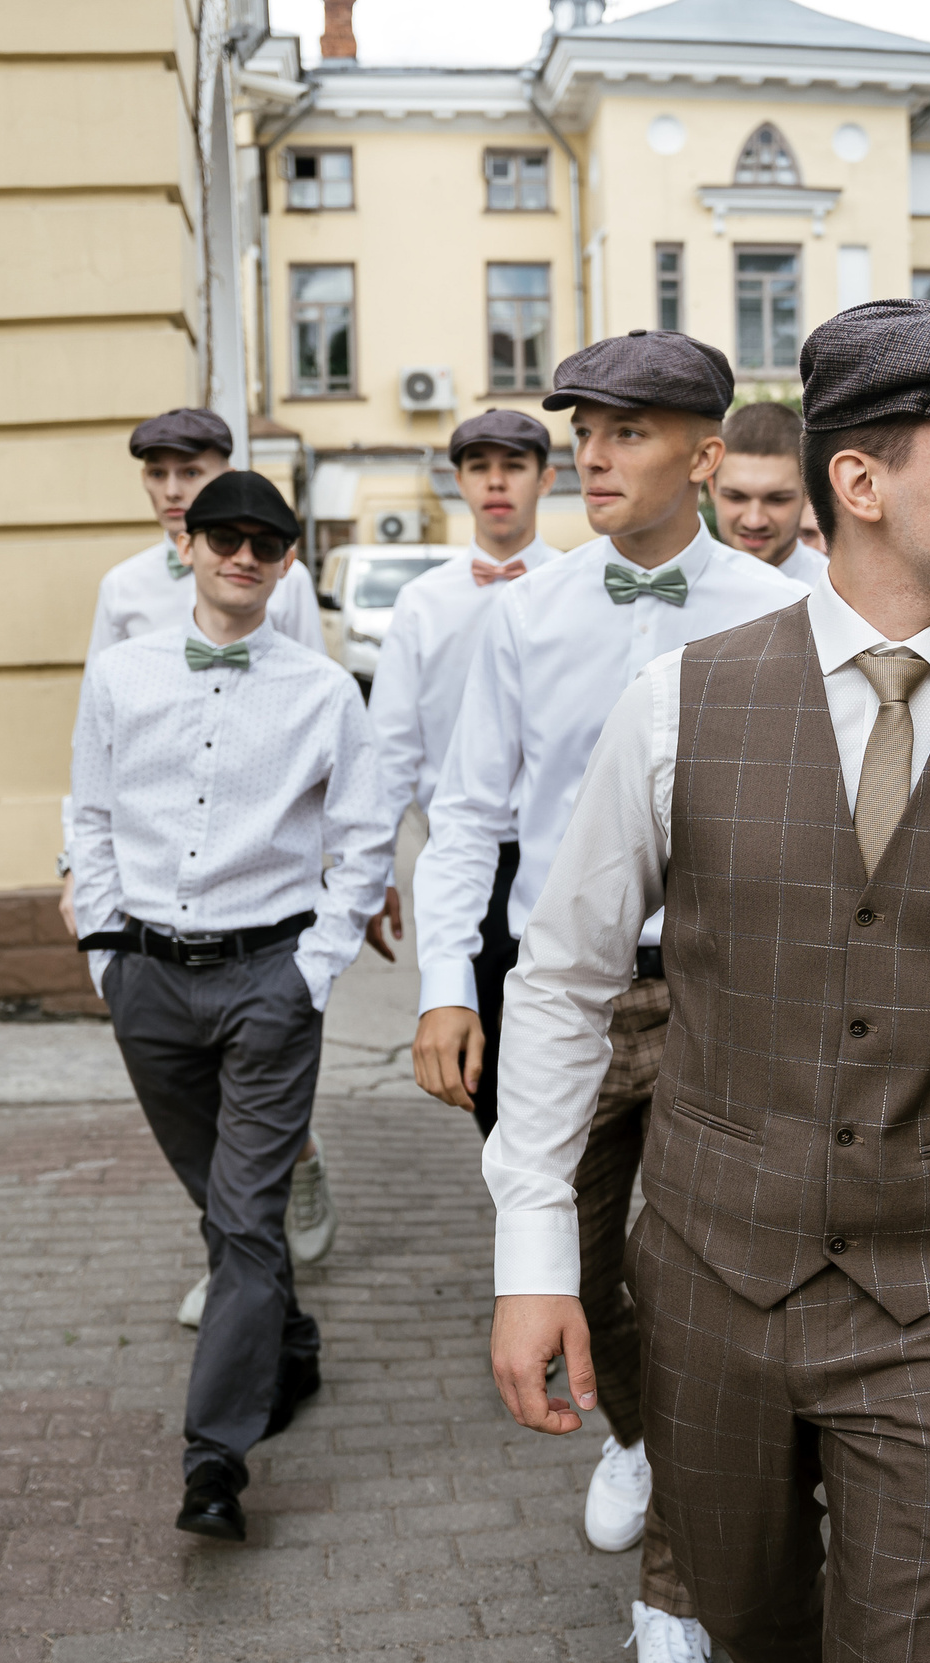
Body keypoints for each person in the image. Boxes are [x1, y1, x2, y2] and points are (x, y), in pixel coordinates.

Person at [486, 298, 930, 1663]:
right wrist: (538, 1248)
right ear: (858, 482)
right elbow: (562, 978)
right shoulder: (680, 704)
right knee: (740, 1602)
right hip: (709, 1277)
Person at [414, 329, 805, 1663]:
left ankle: (678, 1609)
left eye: (628, 430)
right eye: (585, 425)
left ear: (705, 455)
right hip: (569, 991)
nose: (591, 451)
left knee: (705, 1295)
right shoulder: (523, 612)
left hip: (724, 988)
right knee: (576, 1267)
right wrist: (448, 988)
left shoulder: (783, 609)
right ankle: (635, 1428)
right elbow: (466, 813)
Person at [68, 471, 391, 1547]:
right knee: (222, 1206)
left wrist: (316, 966)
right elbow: (91, 812)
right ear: (190, 545)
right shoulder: (120, 674)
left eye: (265, 541)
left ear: (288, 561)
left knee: (247, 1217)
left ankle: (215, 1457)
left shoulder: (321, 691)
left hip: (268, 979)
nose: (242, 555)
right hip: (147, 978)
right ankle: (287, 1338)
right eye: (224, 537)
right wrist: (104, 951)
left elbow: (363, 839)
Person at [60, 408, 341, 1319]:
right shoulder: (123, 589)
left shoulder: (263, 565)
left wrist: (327, 905)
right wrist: (92, 899)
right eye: (160, 475)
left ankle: (273, 1206)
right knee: (196, 1119)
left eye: (194, 472)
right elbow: (96, 746)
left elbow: (308, 708)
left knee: (257, 1114)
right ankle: (239, 1266)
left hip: (257, 882)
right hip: (151, 897)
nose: (176, 491)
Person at [362, 410, 562, 1137]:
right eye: (480, 467)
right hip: (465, 860)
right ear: (460, 483)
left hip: (560, 854)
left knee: (563, 1045)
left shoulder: (579, 589)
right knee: (481, 1055)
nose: (497, 480)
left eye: (513, 464)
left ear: (545, 477)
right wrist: (375, 868)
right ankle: (521, 1204)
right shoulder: (422, 603)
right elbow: (389, 747)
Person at [709, 400, 827, 582]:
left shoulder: (841, 593)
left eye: (777, 499)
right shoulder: (677, 585)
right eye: (736, 497)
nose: (754, 521)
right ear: (712, 487)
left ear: (806, 493)